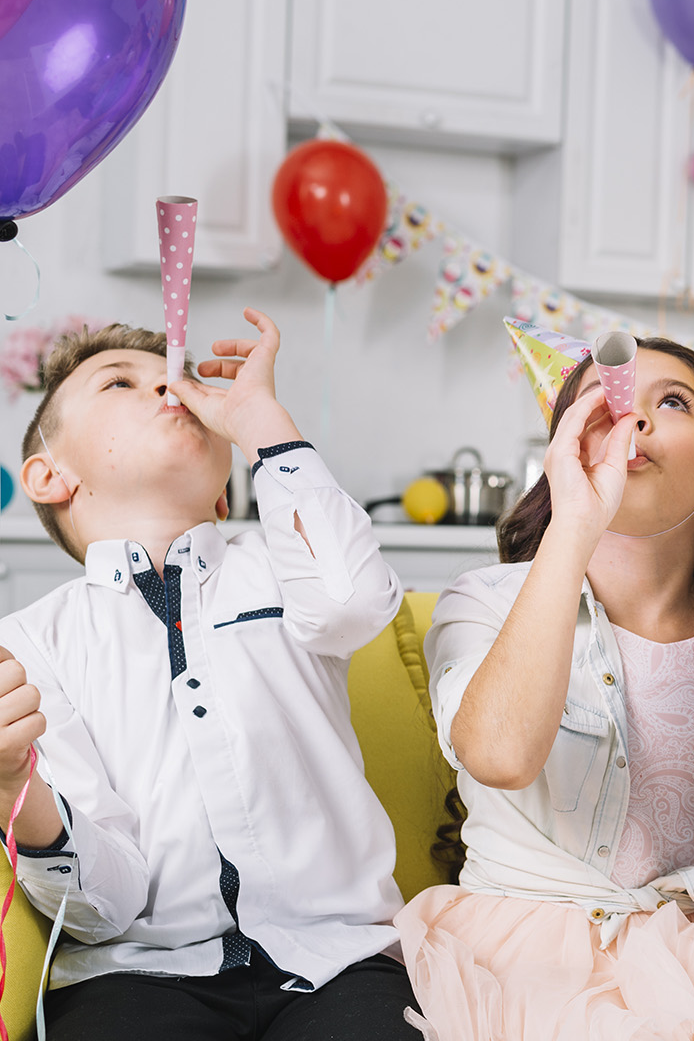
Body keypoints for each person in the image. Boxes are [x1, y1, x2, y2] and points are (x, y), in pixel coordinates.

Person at [0, 314, 417, 1039]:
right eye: (120, 382)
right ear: (49, 475)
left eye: (181, 379)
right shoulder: (31, 643)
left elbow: (352, 601)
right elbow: (104, 906)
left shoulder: (282, 565)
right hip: (135, 975)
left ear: (225, 492)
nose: (170, 385)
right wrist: (15, 785)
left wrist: (261, 422)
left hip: (339, 962)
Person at [399, 328, 694, 1040]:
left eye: (673, 401)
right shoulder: (487, 601)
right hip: (523, 958)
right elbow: (498, 756)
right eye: (603, 399)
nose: (631, 414)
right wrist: (576, 520)